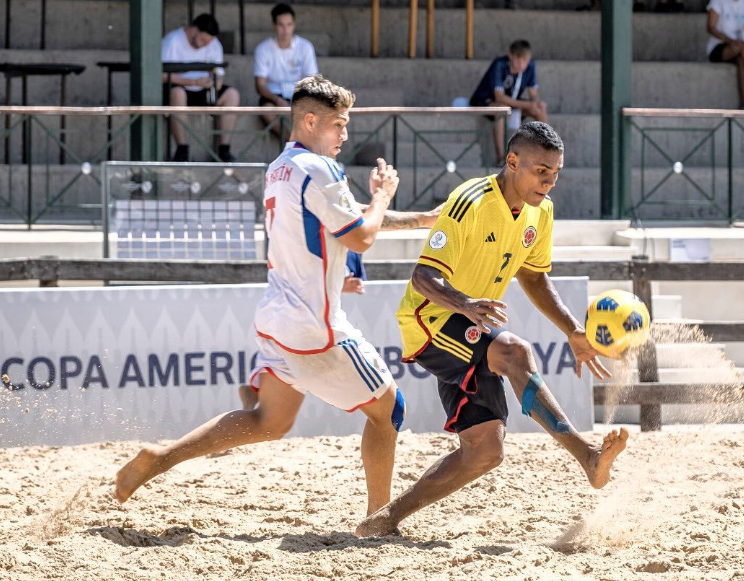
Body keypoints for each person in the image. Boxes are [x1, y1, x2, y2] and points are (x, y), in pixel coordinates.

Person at [115, 75, 440, 518]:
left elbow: (324, 231)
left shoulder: (282, 167)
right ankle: (378, 519)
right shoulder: (320, 169)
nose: (345, 134)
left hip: (277, 315)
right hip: (312, 326)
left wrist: (421, 219)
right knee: (390, 409)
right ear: (310, 120)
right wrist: (382, 195)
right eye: (339, 124)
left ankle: (158, 459)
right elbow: (362, 236)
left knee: (269, 422)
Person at [356, 121, 628, 538]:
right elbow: (423, 278)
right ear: (513, 161)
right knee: (515, 353)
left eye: (555, 173)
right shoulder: (470, 201)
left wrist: (573, 331)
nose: (549, 182)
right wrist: (465, 304)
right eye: (541, 171)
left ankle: (384, 520)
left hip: (471, 324)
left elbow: (533, 277)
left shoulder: (542, 211)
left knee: (485, 451)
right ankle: (588, 457)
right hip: (429, 321)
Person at [237, 249, 367, 411]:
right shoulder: (340, 239)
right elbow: (318, 280)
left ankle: (256, 392)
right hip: (308, 319)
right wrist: (341, 284)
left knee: (273, 415)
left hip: (282, 315)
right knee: (348, 373)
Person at [162, 13, 240, 162]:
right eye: (203, 40)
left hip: (205, 90)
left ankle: (224, 149)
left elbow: (219, 74)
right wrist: (192, 82)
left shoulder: (214, 44)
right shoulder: (172, 41)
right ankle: (182, 149)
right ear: (193, 29)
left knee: (232, 94)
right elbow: (161, 75)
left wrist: (214, 83)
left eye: (208, 42)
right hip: (179, 89)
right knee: (177, 93)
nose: (205, 44)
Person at [469, 40, 548, 164]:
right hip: (487, 101)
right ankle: (501, 158)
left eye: (526, 61)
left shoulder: (530, 66)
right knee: (501, 109)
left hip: (512, 101)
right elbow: (499, 97)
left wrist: (537, 102)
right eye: (519, 60)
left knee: (539, 110)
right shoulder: (499, 65)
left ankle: (547, 151)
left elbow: (533, 93)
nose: (522, 64)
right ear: (511, 55)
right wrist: (527, 104)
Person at [253, 3, 319, 138]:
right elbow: (260, 85)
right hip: (273, 94)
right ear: (274, 25)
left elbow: (312, 79)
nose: (285, 29)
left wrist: (299, 98)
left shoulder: (305, 47)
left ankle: (308, 146)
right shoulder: (263, 49)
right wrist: (276, 100)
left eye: (289, 24)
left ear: (294, 25)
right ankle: (291, 141)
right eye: (281, 25)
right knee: (266, 109)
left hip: (299, 93)